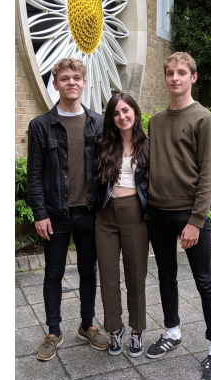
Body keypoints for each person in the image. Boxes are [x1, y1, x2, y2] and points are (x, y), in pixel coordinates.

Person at [27, 58, 109, 361]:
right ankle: (53, 330)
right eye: (65, 78)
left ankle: (87, 325)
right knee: (53, 272)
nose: (71, 82)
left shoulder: (98, 123)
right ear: (56, 83)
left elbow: (110, 165)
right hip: (55, 214)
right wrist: (40, 213)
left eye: (76, 77)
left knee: (89, 271)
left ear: (84, 83)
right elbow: (34, 175)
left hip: (90, 212)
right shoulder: (39, 125)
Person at [146, 52, 211, 380]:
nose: (175, 78)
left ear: (193, 77)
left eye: (182, 72)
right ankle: (172, 332)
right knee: (166, 276)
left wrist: (196, 221)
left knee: (205, 281)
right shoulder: (156, 121)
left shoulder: (204, 119)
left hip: (189, 215)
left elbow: (208, 175)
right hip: (158, 214)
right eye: (170, 73)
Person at [94, 93, 149, 357]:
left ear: (135, 112)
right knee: (107, 275)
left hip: (134, 213)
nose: (122, 117)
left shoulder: (148, 145)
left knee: (136, 275)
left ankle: (137, 331)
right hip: (105, 215)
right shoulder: (105, 144)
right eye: (116, 113)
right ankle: (115, 331)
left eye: (126, 110)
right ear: (111, 119)